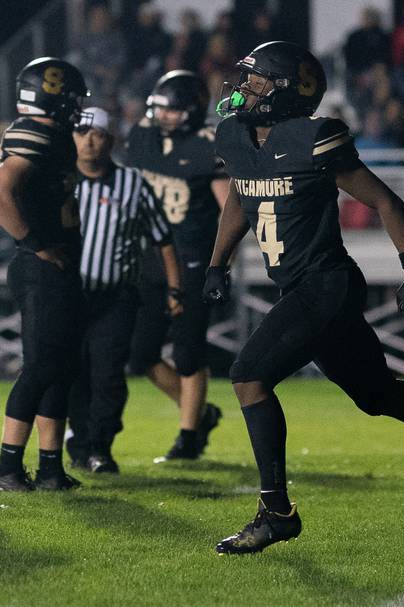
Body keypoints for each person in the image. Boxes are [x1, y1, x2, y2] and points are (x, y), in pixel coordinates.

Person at [206, 41, 404, 554]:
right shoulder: (235, 136)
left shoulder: (314, 138)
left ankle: (276, 512)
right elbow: (242, 199)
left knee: (248, 375)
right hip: (302, 286)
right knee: (377, 395)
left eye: (256, 80)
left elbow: (384, 200)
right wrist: (217, 262)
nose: (243, 88)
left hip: (326, 283)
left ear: (285, 91)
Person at [0, 58, 88, 492]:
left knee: (60, 366)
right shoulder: (34, 131)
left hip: (57, 261)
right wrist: (37, 244)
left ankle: (50, 468)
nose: (77, 106)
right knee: (42, 365)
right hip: (40, 265)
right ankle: (7, 468)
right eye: (72, 98)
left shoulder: (54, 135)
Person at [66, 107, 181, 473]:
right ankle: (79, 441)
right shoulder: (62, 180)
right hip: (71, 295)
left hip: (116, 295)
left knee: (108, 372)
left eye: (97, 133)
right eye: (82, 133)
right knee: (73, 371)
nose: (89, 141)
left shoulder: (132, 183)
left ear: (110, 140)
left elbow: (163, 238)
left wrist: (175, 288)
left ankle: (99, 445)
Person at [124, 70, 229, 462]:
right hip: (148, 259)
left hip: (192, 259)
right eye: (161, 108)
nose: (163, 116)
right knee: (141, 354)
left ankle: (188, 437)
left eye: (172, 109)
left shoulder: (207, 144)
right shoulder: (143, 135)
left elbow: (229, 211)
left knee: (188, 352)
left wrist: (221, 264)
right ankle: (201, 414)